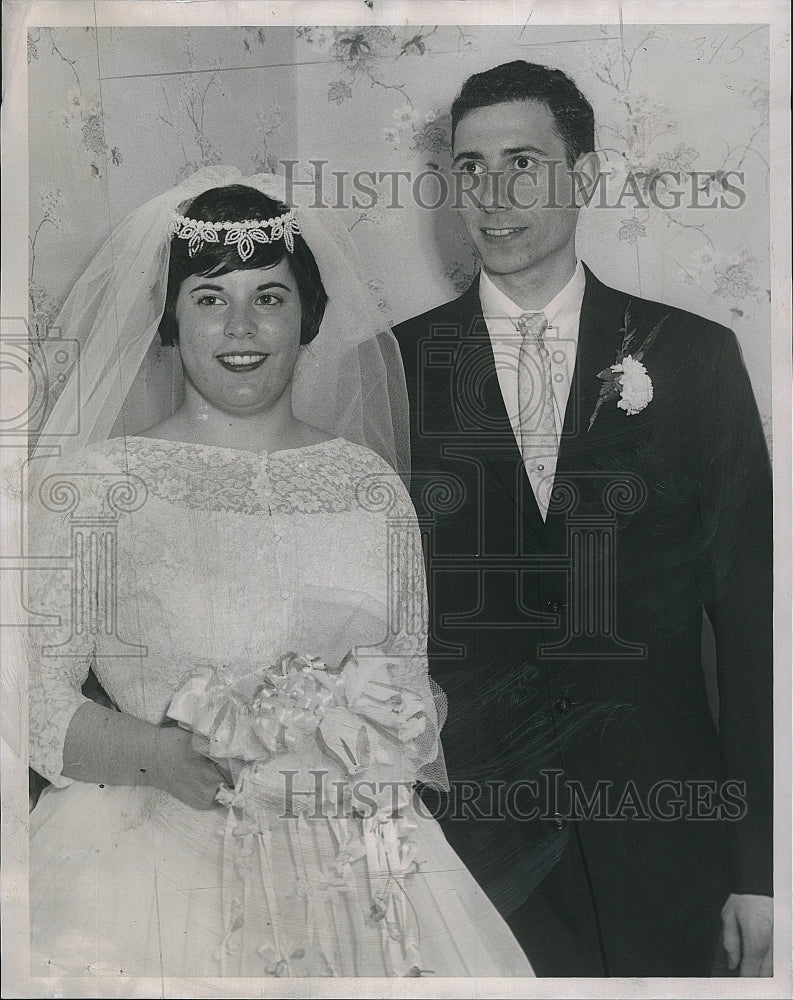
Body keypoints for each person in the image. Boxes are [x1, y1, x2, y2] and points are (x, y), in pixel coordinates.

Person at [24, 167, 534, 978]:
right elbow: (25, 698)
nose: (242, 325)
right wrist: (163, 757)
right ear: (168, 317)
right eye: (208, 297)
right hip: (146, 856)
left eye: (269, 296)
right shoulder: (96, 486)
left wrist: (370, 736)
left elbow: (410, 682)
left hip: (356, 856)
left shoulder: (369, 486)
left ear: (307, 317)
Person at [394, 61, 773, 977]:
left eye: (523, 161)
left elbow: (759, 625)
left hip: (668, 845)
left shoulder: (691, 358)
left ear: (585, 177)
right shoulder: (394, 370)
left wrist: (760, 868)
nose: (493, 196)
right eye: (470, 167)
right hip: (473, 859)